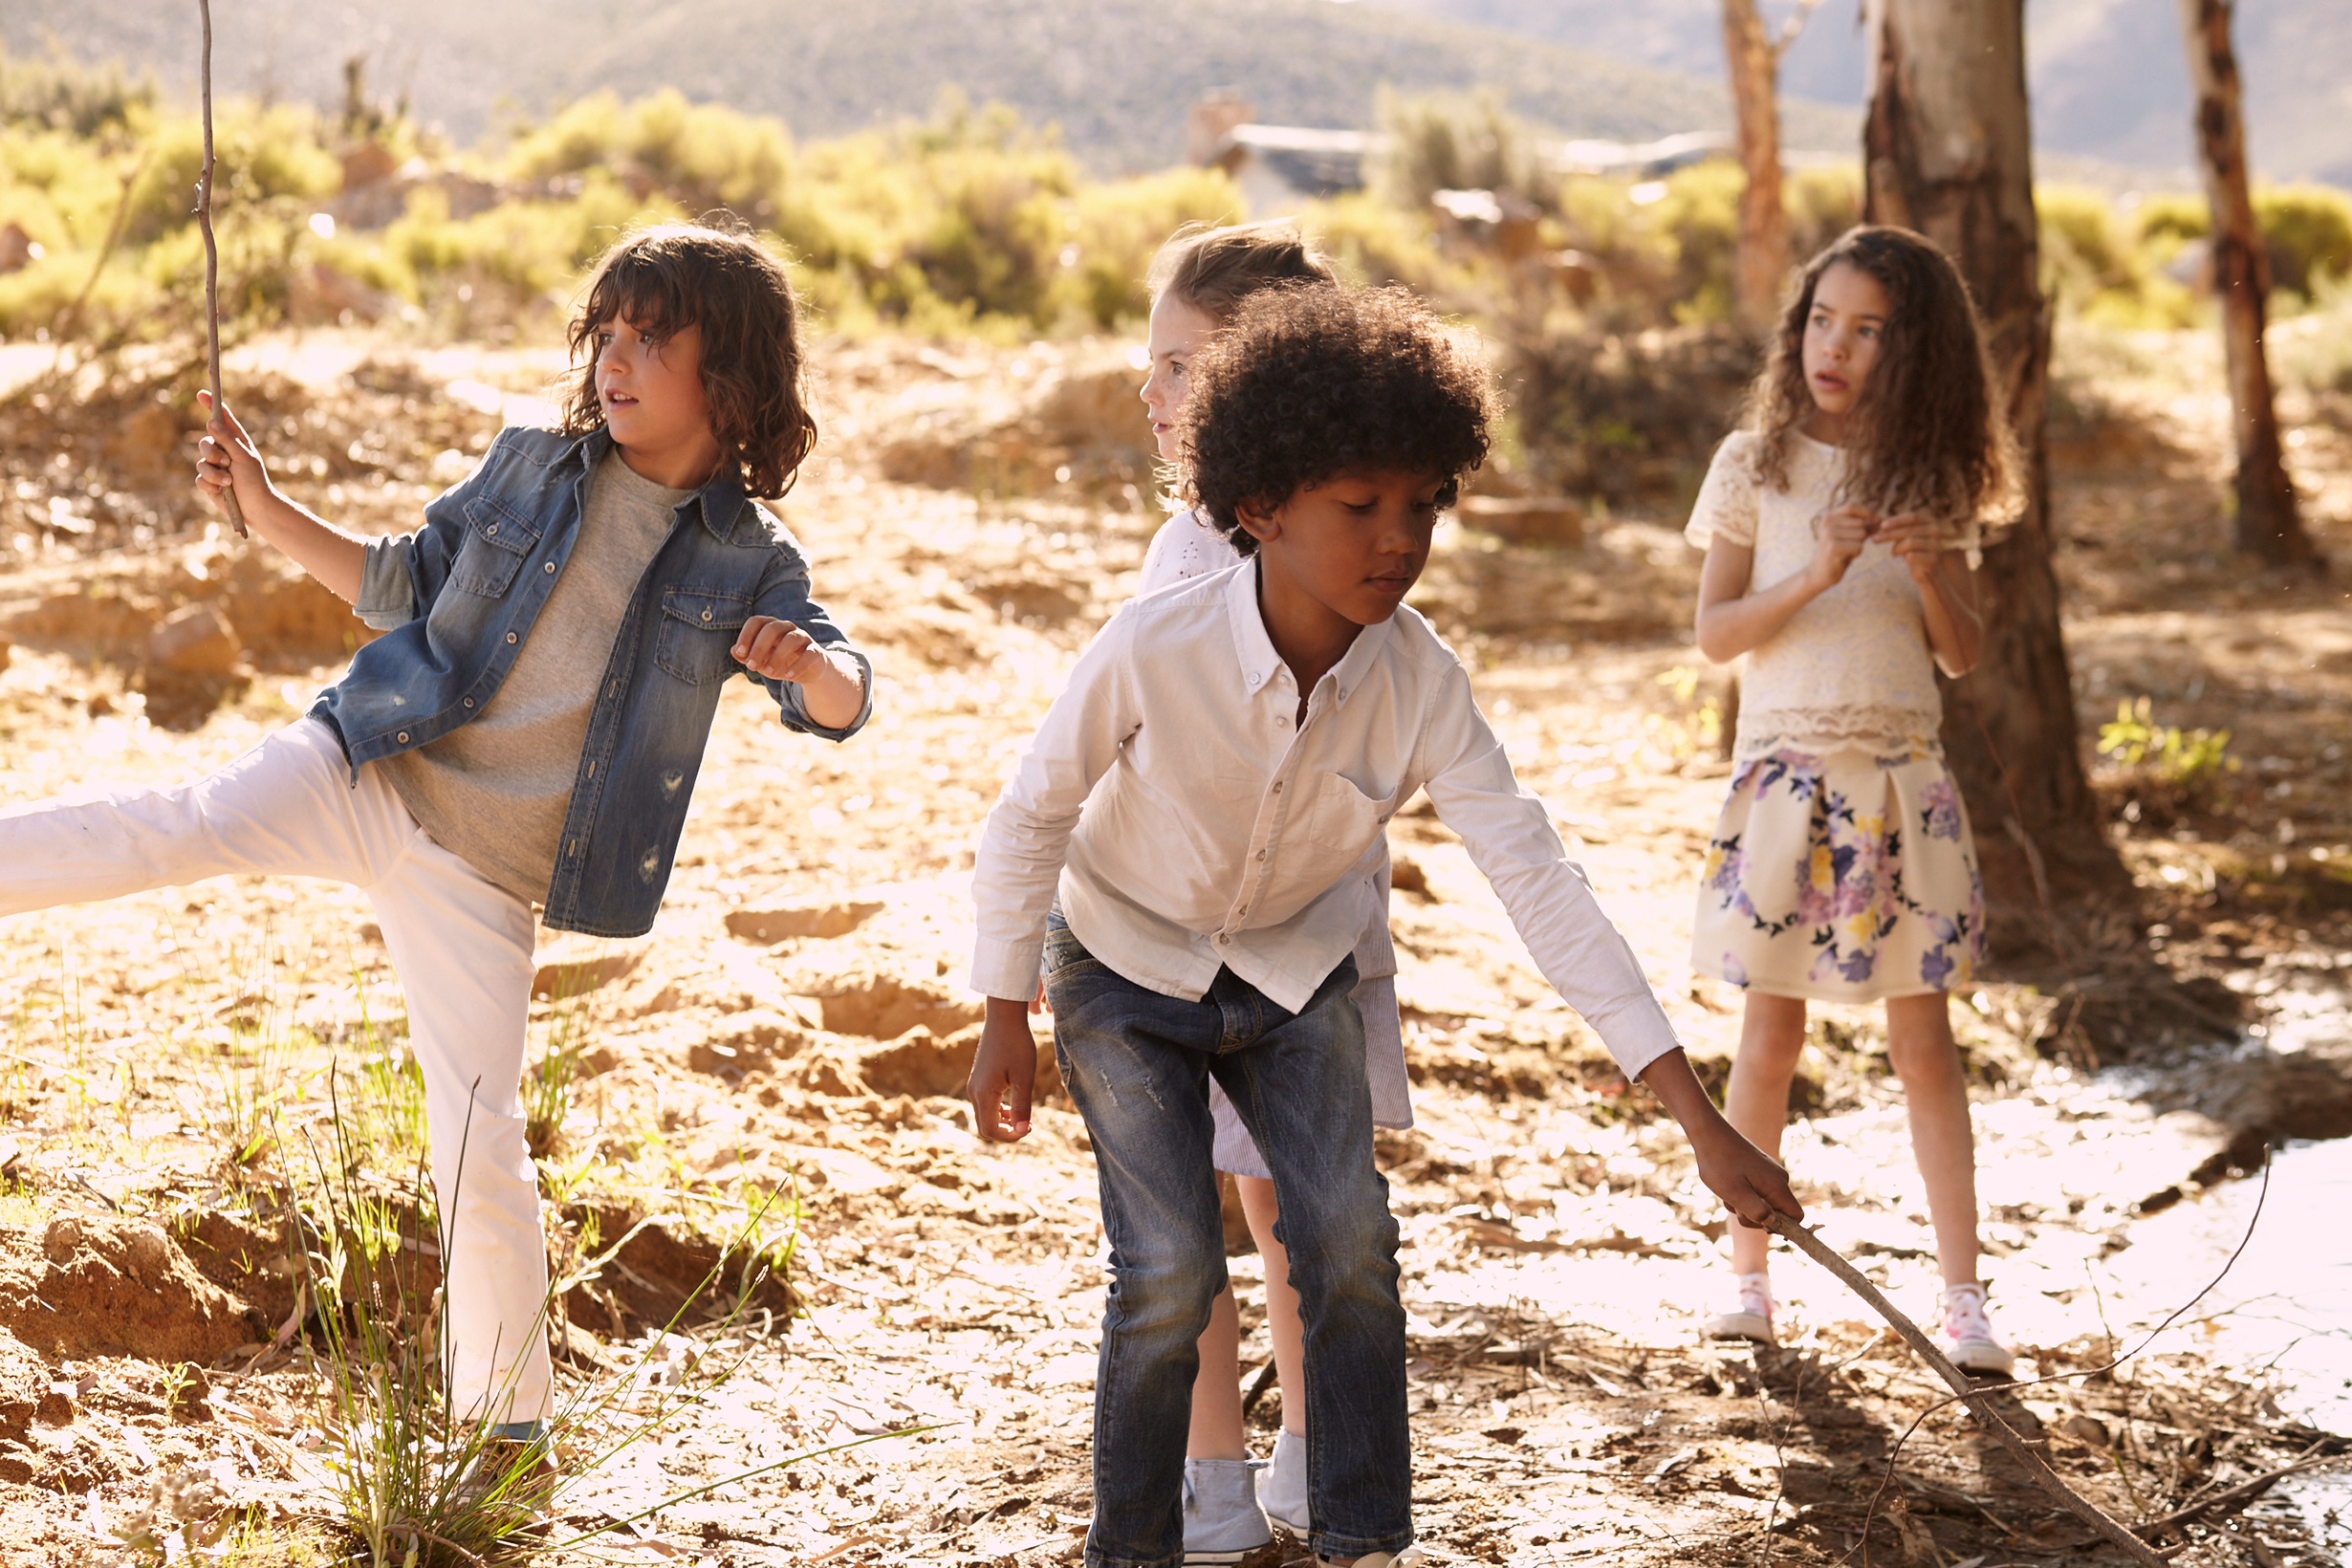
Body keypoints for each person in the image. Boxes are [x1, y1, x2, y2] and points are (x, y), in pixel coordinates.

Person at [966, 282, 1800, 1568]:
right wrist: (999, 1012)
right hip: (1121, 961)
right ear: (1260, 505)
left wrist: (1700, 1121)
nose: (1399, 539)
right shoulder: (1152, 646)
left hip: (1292, 968)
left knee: (1349, 1243)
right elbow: (1030, 814)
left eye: (1424, 504)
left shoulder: (1421, 682)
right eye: (1360, 505)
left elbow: (1538, 879)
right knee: (1171, 1270)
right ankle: (1132, 1548)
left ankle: (1358, 1539)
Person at [0, 224, 873, 1439]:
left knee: (479, 1132)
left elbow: (840, 696)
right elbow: (401, 580)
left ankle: (506, 1434)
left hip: (484, 873)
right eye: (608, 334)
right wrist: (264, 506)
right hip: (370, 761)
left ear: (728, 378)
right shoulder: (530, 465)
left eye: (651, 339)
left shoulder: (751, 561)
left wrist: (810, 667)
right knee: (179, 824)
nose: (616, 360)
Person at [1685, 225, 2023, 1374]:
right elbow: (1715, 633)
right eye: (1822, 320)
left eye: (1867, 329)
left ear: (1913, 348)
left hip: (1898, 782)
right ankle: (1747, 1275)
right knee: (1769, 1033)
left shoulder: (1933, 478)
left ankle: (1965, 1298)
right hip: (1786, 778)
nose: (1835, 346)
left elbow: (1963, 652)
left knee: (1925, 1042)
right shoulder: (1755, 463)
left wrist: (1927, 566)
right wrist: (1816, 571)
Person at [1136, 220, 1384, 1565]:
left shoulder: (1320, 543)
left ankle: (1295, 1468)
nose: (1154, 393)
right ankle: (1228, 1477)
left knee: (1281, 1201)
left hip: (1276, 928)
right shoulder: (1192, 545)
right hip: (1188, 922)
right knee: (1215, 1201)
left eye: (1181, 366)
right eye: (1153, 365)